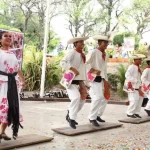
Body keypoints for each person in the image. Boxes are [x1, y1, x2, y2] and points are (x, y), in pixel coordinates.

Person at [0, 30, 25, 141]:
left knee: (11, 108)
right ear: (0, 39)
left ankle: (2, 132)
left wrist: (22, 79)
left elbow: (17, 68)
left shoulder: (13, 54)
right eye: (6, 36)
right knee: (2, 107)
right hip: (1, 83)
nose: (9, 38)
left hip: (12, 83)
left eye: (10, 36)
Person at [60, 37, 88, 129]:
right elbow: (63, 62)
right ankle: (71, 119)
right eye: (81, 42)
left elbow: (83, 69)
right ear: (76, 43)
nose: (83, 44)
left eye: (83, 42)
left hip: (80, 81)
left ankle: (70, 112)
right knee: (76, 98)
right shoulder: (72, 52)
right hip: (70, 81)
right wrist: (71, 68)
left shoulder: (83, 55)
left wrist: (84, 82)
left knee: (82, 99)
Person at [86, 35, 111, 127]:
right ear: (99, 43)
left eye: (107, 43)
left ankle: (97, 115)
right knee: (98, 97)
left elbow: (104, 69)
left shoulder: (106, 54)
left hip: (102, 78)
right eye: (105, 43)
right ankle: (92, 118)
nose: (107, 45)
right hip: (94, 78)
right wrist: (93, 70)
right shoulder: (93, 52)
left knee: (105, 98)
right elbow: (85, 63)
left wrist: (106, 81)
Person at [124, 54, 145, 118]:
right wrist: (135, 80)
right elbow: (127, 75)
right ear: (136, 60)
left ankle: (136, 112)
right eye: (140, 59)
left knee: (140, 99)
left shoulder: (137, 67)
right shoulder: (132, 66)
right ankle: (129, 112)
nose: (141, 60)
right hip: (132, 85)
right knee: (134, 99)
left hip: (138, 86)